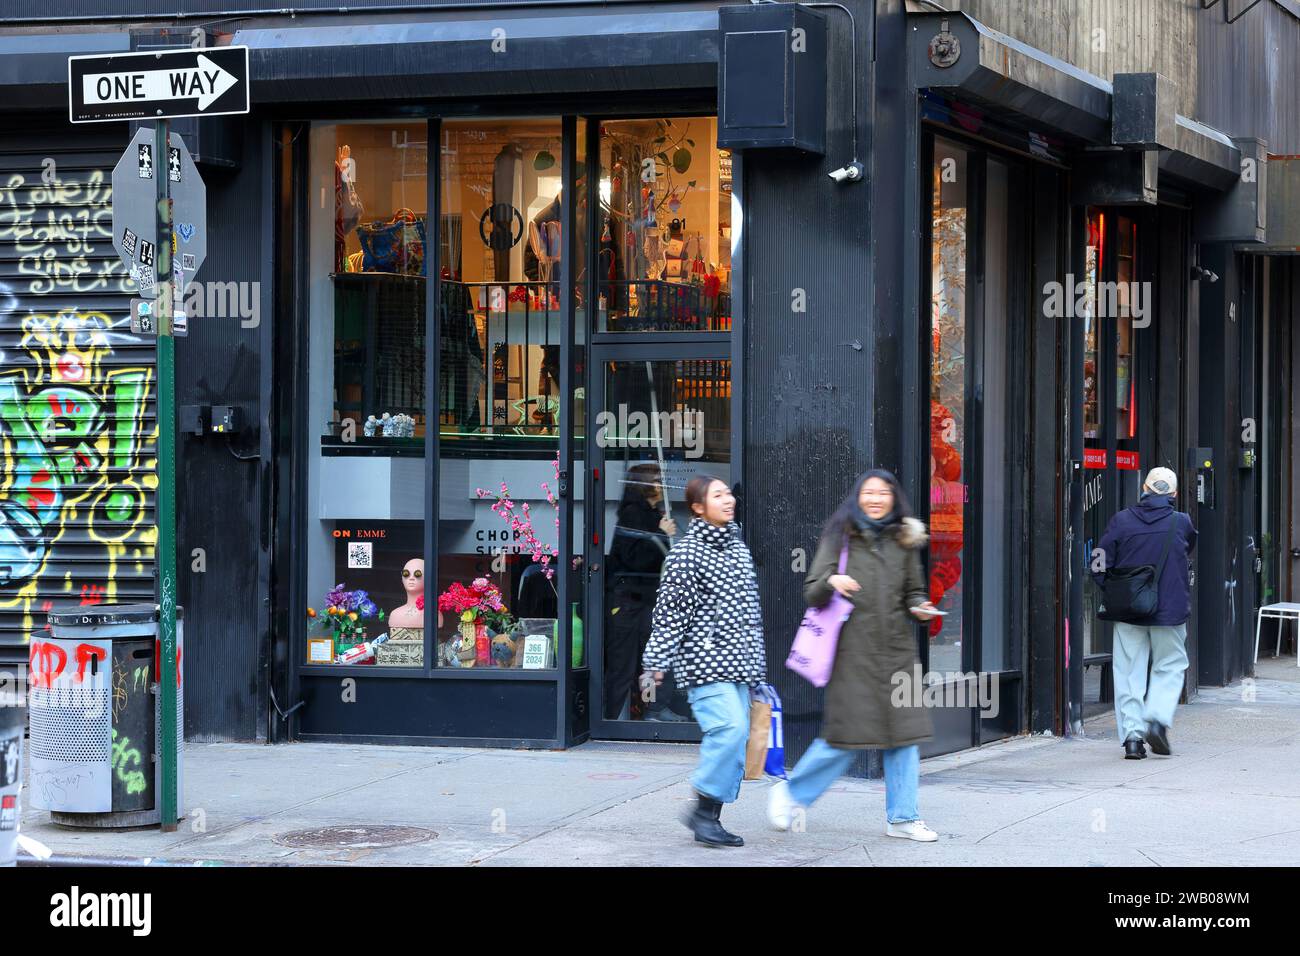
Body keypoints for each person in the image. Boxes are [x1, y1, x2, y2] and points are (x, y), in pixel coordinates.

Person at [768, 469, 943, 843]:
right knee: (843, 738)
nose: (876, 499)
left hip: (897, 653)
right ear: (857, 497)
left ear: (894, 499)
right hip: (852, 654)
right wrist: (833, 582)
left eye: (884, 493)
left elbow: (913, 591)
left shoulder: (905, 540)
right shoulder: (840, 536)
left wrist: (921, 606)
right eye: (869, 492)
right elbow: (812, 589)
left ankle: (903, 818)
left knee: (905, 736)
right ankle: (791, 793)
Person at [642, 476, 765, 847]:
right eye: (717, 495)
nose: (728, 500)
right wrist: (656, 662)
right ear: (698, 507)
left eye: (728, 493)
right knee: (728, 731)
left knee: (737, 735)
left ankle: (709, 817)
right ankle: (702, 811)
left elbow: (750, 613)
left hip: (740, 664)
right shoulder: (687, 553)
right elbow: (670, 613)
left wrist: (756, 669)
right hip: (705, 661)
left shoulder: (737, 547)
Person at [1093, 466, 1197, 759]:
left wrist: (1115, 592)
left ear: (1145, 489)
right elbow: (1187, 551)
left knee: (1128, 672)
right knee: (1171, 665)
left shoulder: (1121, 521)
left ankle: (1133, 739)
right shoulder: (1182, 522)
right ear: (1174, 494)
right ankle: (1157, 718)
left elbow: (1099, 562)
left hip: (1129, 611)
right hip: (1170, 610)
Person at [602, 463, 679, 720]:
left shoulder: (647, 513)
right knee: (625, 663)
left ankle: (650, 710)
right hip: (630, 601)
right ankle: (617, 716)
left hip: (643, 600)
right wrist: (661, 533)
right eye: (658, 480)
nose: (663, 485)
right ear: (645, 484)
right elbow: (634, 559)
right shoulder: (634, 515)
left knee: (649, 659)